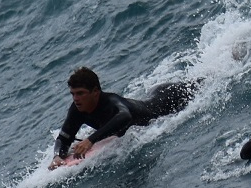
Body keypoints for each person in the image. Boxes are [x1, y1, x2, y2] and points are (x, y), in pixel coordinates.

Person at [49, 67, 195, 167]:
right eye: (73, 94)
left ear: (95, 92)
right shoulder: (77, 110)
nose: (75, 98)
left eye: (80, 93)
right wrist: (57, 156)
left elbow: (125, 116)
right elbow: (64, 138)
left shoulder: (112, 102)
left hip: (168, 99)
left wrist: (90, 140)